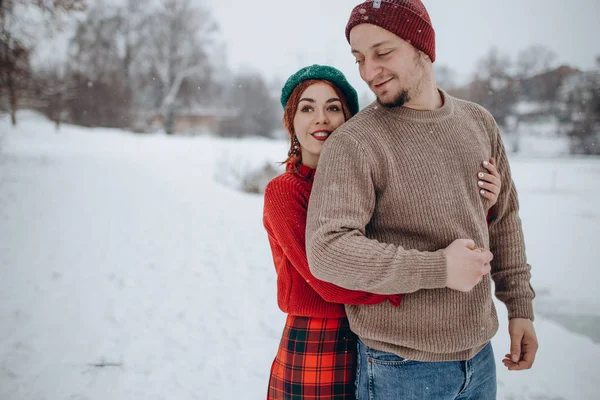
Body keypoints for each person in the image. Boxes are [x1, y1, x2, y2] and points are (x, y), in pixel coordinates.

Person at [306, 1, 538, 399]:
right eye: (359, 58)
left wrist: (519, 306)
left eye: (382, 52)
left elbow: (503, 219)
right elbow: (328, 250)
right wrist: (439, 268)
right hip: (399, 366)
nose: (368, 72)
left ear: (422, 46)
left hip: (480, 356)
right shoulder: (356, 142)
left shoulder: (478, 121)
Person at [264, 64, 503, 399]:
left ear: (348, 120)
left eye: (333, 108)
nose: (321, 118)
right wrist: (421, 282)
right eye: (307, 108)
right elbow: (329, 280)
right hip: (321, 338)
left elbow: (416, 227)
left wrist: (484, 203)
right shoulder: (285, 191)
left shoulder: (363, 181)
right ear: (291, 122)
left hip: (369, 337)